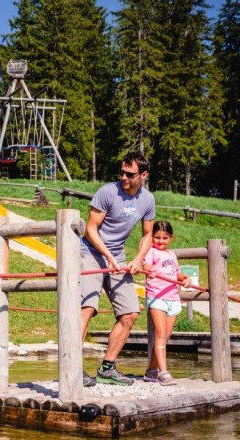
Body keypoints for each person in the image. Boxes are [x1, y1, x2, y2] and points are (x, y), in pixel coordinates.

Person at [80, 152, 155, 387]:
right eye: (122, 171)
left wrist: (138, 259)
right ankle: (73, 366)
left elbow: (148, 234)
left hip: (118, 257)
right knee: (87, 309)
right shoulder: (107, 192)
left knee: (130, 313)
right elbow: (90, 230)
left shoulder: (148, 200)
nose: (123, 177)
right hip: (90, 252)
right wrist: (108, 256)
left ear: (143, 175)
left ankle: (107, 369)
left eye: (129, 174)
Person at [143, 221, 190, 386]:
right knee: (161, 334)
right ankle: (164, 373)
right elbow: (147, 267)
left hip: (173, 298)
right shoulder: (151, 251)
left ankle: (151, 372)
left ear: (171, 238)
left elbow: (176, 273)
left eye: (165, 238)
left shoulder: (171, 255)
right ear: (152, 237)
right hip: (157, 298)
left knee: (165, 336)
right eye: (157, 237)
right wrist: (150, 272)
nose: (161, 241)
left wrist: (186, 279)